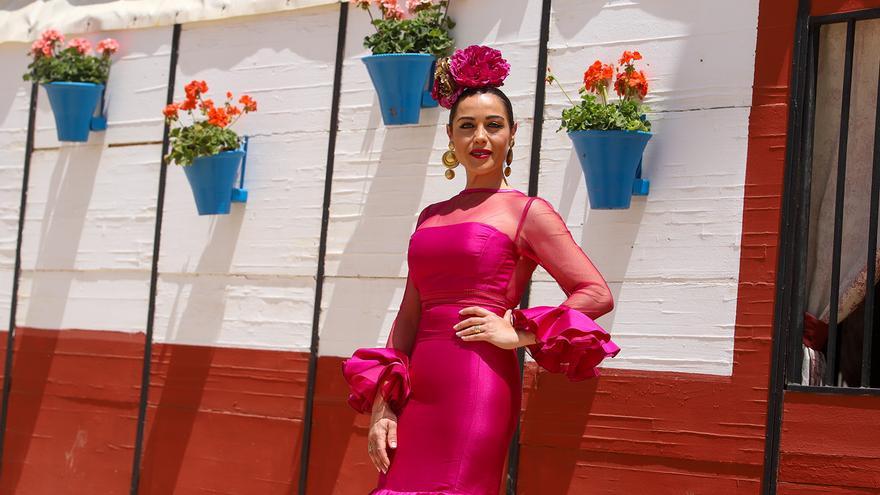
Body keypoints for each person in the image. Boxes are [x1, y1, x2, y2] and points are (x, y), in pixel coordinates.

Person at [341, 44, 620, 495]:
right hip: (416, 392)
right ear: (451, 137)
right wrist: (383, 406)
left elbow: (595, 292)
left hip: (477, 384)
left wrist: (518, 331)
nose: (480, 138)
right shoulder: (429, 215)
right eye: (467, 127)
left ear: (512, 133)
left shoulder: (528, 212)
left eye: (494, 126)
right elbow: (408, 317)